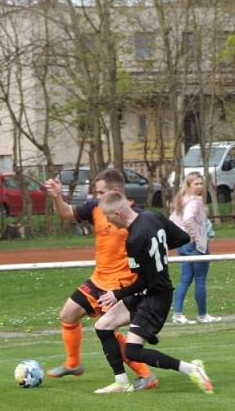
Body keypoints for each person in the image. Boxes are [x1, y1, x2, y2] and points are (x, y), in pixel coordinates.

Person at [43, 169, 158, 391]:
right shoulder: (96, 208)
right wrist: (57, 197)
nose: (97, 197)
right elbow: (66, 213)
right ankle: (73, 364)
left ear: (115, 191)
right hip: (98, 280)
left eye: (101, 192)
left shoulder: (136, 217)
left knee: (107, 330)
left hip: (120, 285)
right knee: (68, 314)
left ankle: (146, 374)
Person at [92, 189, 214, 395]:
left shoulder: (134, 240)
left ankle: (192, 369)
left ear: (119, 213)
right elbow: (183, 237)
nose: (110, 223)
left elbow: (143, 281)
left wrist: (117, 294)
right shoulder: (152, 216)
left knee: (133, 351)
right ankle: (121, 382)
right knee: (103, 326)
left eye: (109, 217)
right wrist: (159, 249)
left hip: (156, 296)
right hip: (146, 293)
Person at [168, 172, 221, 324]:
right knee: (200, 280)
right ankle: (202, 315)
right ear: (189, 185)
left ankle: (177, 314)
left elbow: (173, 221)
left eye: (200, 183)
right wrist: (197, 238)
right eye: (196, 184)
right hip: (194, 245)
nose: (199, 186)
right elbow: (188, 220)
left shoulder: (180, 200)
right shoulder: (195, 201)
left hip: (183, 245)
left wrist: (179, 238)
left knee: (184, 279)